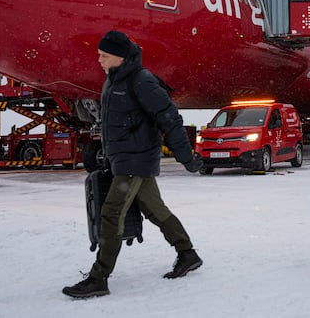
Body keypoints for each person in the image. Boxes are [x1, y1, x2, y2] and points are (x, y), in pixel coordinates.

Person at [62, 30, 204, 299]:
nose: (99, 60)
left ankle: (98, 278)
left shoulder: (141, 81)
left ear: (120, 57)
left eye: (104, 56)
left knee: (112, 212)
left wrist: (186, 158)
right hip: (124, 158)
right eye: (99, 55)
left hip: (136, 159)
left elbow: (170, 119)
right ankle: (187, 253)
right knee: (154, 209)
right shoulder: (113, 81)